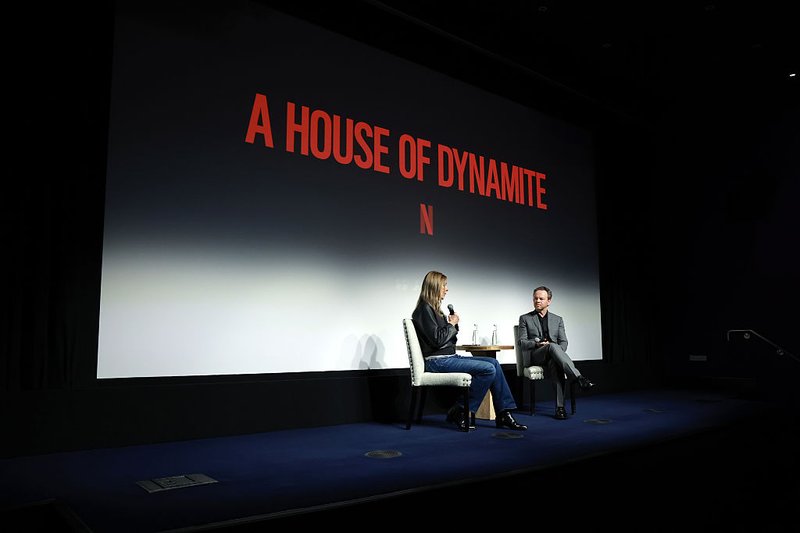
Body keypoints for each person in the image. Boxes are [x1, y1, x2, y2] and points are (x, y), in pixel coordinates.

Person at [411, 270, 526, 431]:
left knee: (494, 362)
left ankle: (503, 413)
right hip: (437, 362)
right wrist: (451, 325)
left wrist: (451, 325)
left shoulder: (435, 311)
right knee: (487, 369)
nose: (446, 289)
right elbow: (437, 340)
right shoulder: (424, 310)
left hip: (448, 357)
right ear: (435, 286)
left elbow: (447, 340)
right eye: (444, 285)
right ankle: (460, 409)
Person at [518, 286, 595, 420]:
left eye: (541, 298)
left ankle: (560, 409)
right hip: (536, 355)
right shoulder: (525, 318)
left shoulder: (557, 319)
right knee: (552, 347)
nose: (537, 301)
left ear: (549, 301)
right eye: (535, 298)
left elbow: (564, 342)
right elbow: (522, 342)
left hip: (552, 355)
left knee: (555, 362)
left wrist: (555, 351)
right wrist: (537, 343)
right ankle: (579, 378)